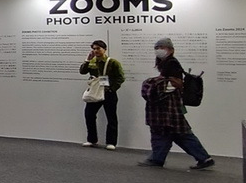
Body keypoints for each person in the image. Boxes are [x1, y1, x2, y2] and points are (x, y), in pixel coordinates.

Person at [138, 37, 215, 170]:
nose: (159, 50)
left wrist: (153, 83)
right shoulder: (167, 62)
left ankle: (157, 159)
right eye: (157, 48)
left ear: (170, 49)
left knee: (167, 132)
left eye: (162, 47)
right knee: (177, 133)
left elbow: (172, 84)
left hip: (166, 106)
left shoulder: (171, 63)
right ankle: (203, 158)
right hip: (170, 105)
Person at [79, 40, 124, 150]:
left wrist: (112, 89)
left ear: (105, 49)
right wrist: (87, 60)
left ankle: (111, 142)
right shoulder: (91, 62)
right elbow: (82, 71)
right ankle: (92, 139)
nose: (96, 51)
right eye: (94, 49)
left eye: (98, 48)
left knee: (111, 117)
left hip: (108, 93)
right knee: (89, 115)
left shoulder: (113, 62)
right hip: (95, 92)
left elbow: (120, 77)